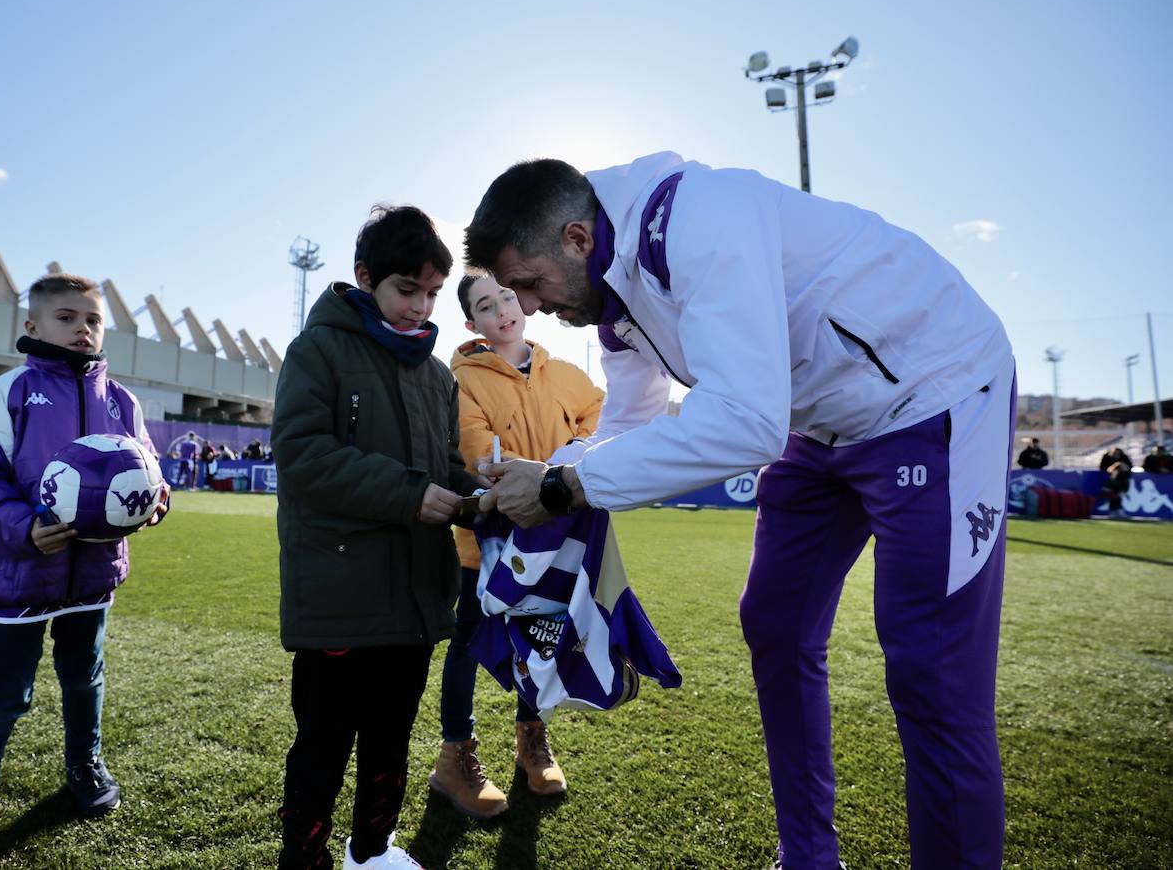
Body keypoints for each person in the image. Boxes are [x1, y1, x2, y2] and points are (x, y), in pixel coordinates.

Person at [464, 153, 1015, 870]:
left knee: (933, 676)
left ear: (576, 238)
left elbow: (748, 423)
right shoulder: (614, 298)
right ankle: (808, 859)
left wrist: (564, 487)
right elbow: (631, 426)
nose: (530, 308)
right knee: (776, 625)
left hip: (935, 389)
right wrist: (543, 474)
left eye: (531, 285)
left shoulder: (699, 218)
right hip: (817, 424)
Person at [0, 272, 167, 870]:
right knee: (1, 701)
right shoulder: (4, 396)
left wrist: (155, 502)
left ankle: (84, 767)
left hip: (91, 579)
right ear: (32, 326)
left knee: (86, 678)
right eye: (66, 317)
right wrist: (23, 530)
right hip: (17, 577)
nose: (82, 329)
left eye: (92, 320)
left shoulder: (122, 399)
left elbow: (149, 469)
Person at [271, 205, 483, 870]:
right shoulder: (317, 350)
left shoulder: (439, 375)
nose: (419, 307)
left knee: (391, 740)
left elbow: (444, 468)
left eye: (432, 294)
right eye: (405, 290)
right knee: (324, 742)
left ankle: (373, 852)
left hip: (415, 597)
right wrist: (409, 494)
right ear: (365, 277)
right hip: (339, 593)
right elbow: (303, 456)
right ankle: (303, 859)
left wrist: (483, 497)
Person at [428, 272, 604, 819]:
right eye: (485, 306)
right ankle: (454, 754)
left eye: (506, 297)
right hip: (487, 544)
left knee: (540, 636)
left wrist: (574, 458)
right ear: (471, 324)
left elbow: (602, 422)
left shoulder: (565, 372)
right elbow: (481, 459)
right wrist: (535, 480)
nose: (501, 310)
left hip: (555, 540)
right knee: (467, 643)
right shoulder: (463, 378)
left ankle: (532, 741)